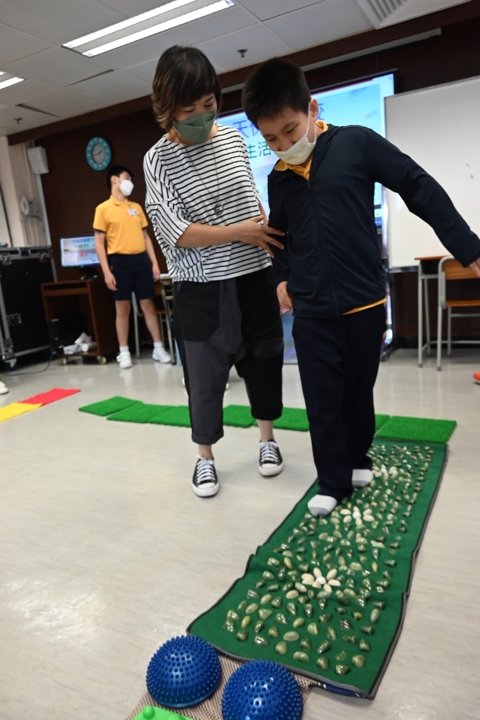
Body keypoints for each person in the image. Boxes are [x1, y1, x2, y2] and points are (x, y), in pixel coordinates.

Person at [242, 57, 480, 516]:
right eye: (271, 139)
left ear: (312, 109)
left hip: (364, 302)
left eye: (290, 131)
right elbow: (279, 236)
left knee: (357, 391)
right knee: (322, 399)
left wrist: (465, 244)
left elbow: (416, 184)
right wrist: (282, 277)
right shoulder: (278, 178)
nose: (284, 146)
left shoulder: (356, 142)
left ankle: (357, 458)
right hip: (312, 310)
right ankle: (332, 481)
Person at [143, 46, 286, 498]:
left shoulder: (233, 139)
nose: (202, 117)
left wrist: (264, 238)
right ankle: (204, 458)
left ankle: (267, 440)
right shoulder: (157, 160)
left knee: (264, 361)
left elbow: (250, 197)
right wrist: (238, 232)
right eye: (189, 110)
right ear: (168, 109)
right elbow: (175, 232)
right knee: (204, 379)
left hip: (253, 274)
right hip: (200, 288)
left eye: (208, 104)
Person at [93, 164, 171, 369]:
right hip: (119, 262)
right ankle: (124, 351)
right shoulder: (103, 209)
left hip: (141, 261)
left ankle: (158, 348)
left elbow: (146, 237)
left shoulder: (136, 207)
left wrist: (154, 263)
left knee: (149, 305)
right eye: (126, 178)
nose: (130, 182)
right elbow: (99, 243)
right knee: (123, 308)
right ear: (114, 179)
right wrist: (106, 271)